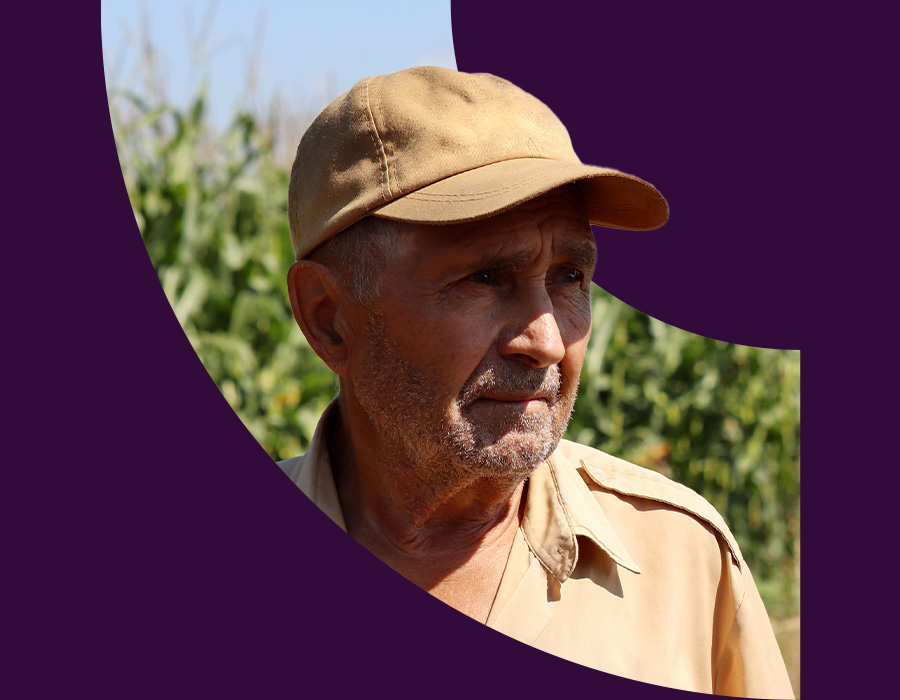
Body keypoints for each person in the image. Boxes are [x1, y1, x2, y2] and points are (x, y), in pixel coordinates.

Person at [278, 66, 793, 698]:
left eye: (570, 276)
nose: (547, 341)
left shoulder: (682, 560)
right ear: (329, 320)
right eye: (485, 278)